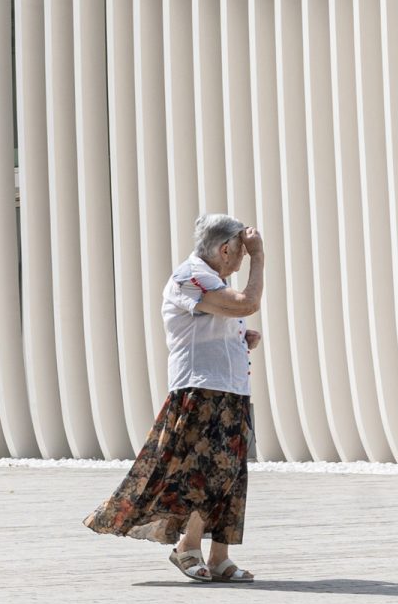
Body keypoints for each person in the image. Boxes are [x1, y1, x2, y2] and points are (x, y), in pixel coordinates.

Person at [85, 213, 264, 582]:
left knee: (231, 474)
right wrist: (261, 257)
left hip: (230, 389)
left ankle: (219, 557)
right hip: (200, 390)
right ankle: (187, 547)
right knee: (203, 473)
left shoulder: (213, 280)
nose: (244, 256)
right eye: (242, 251)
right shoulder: (191, 276)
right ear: (225, 249)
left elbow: (216, 323)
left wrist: (240, 337)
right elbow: (246, 303)